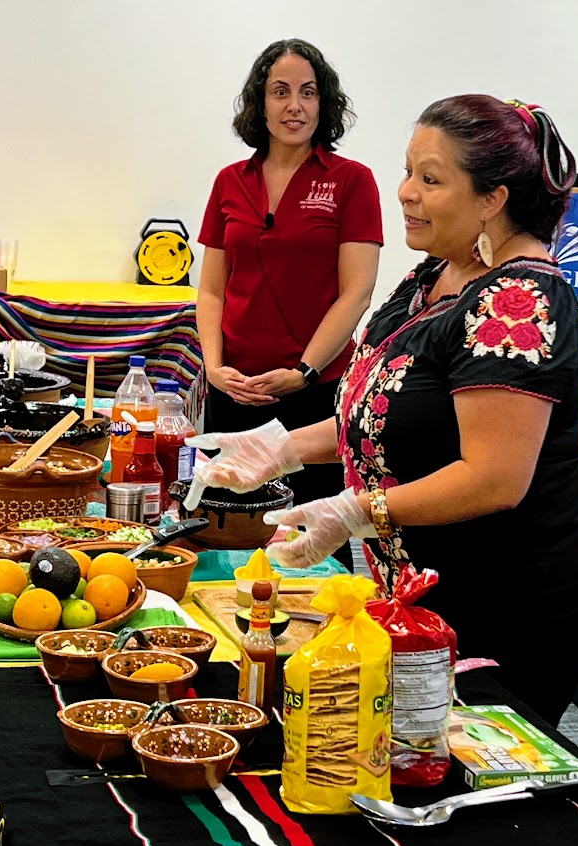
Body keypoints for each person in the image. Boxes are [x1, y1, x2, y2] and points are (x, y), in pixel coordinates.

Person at [186, 95, 578, 727]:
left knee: (464, 752)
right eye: (408, 171)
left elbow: (494, 478)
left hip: (513, 587)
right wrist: (279, 447)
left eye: (431, 179)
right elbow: (385, 409)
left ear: (492, 199)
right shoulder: (435, 274)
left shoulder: (518, 300)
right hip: (429, 575)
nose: (405, 192)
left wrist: (358, 510)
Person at [194, 38, 383, 569]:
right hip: (233, 390)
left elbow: (357, 292)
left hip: (314, 395)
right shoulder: (230, 182)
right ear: (260, 102)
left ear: (325, 104)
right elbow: (210, 290)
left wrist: (304, 371)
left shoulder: (352, 181)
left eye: (308, 92)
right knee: (223, 532)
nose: (294, 106)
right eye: (280, 92)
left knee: (314, 539)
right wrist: (215, 368)